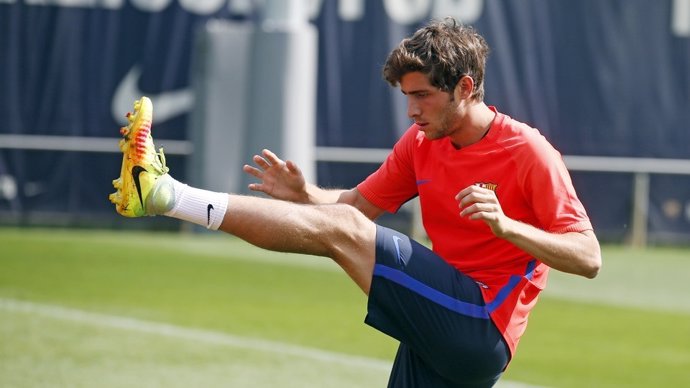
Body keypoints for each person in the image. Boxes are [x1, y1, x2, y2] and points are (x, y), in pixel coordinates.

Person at [109, 18, 601, 387]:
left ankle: (165, 194)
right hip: (436, 322)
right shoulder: (420, 141)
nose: (412, 110)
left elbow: (588, 257)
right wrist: (305, 195)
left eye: (423, 96)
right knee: (340, 221)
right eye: (406, 96)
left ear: (466, 88)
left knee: (338, 230)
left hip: (480, 325)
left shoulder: (529, 151)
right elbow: (355, 207)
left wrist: (507, 226)